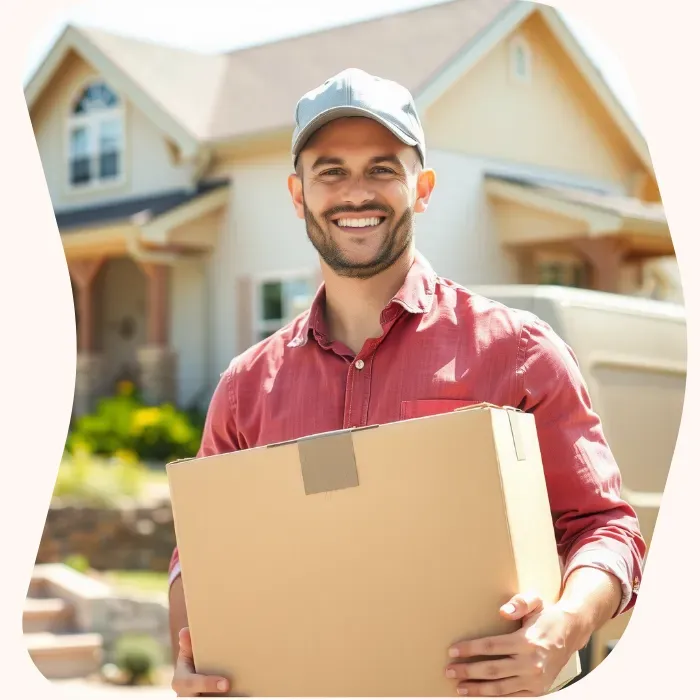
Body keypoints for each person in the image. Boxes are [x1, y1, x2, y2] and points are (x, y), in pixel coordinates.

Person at [168, 68, 645, 697]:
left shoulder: (519, 351)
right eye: (330, 171)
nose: (355, 193)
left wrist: (565, 628)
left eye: (382, 169)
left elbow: (606, 528)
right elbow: (198, 554)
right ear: (297, 193)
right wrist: (195, 653)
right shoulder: (247, 386)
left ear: (421, 188)